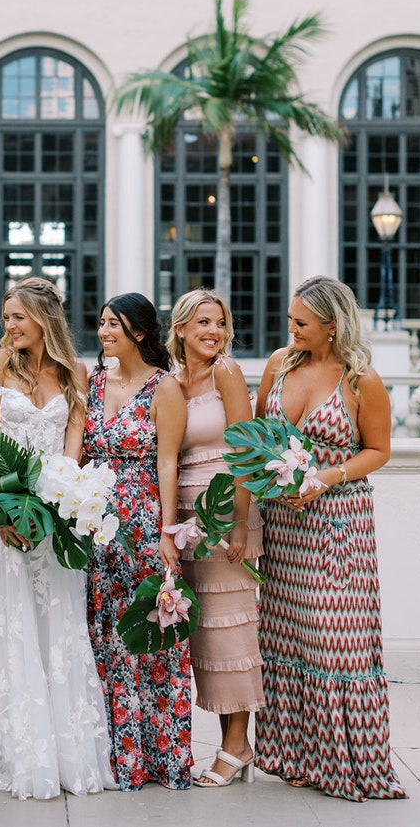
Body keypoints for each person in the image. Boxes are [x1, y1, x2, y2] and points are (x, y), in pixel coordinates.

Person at [254, 275, 406, 801]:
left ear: (332, 325)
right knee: (286, 636)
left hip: (337, 525)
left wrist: (324, 478)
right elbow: (257, 440)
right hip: (282, 528)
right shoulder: (278, 365)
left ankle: (346, 761)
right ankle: (294, 756)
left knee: (336, 641)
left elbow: (378, 450)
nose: (291, 329)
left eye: (301, 322)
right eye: (291, 319)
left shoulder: (362, 380)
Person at [0, 276, 115, 799]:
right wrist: (3, 509)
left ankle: (69, 753)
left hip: (54, 521)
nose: (8, 326)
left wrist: (58, 505)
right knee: (13, 628)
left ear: (43, 319)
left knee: (60, 624)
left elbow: (73, 446)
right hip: (6, 514)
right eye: (6, 317)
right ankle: (23, 753)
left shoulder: (76, 371)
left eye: (17, 317)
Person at [84, 292, 192, 791]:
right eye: (102, 323)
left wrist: (169, 532)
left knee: (147, 632)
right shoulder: (93, 381)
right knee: (103, 631)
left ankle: (161, 757)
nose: (104, 332)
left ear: (140, 333)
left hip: (143, 519)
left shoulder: (164, 387)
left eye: (114, 325)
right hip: (93, 524)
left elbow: (167, 461)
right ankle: (117, 756)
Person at [167, 289, 264, 788]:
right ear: (180, 328)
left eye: (220, 323)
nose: (214, 332)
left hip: (226, 515)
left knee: (231, 631)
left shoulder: (226, 370)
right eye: (203, 322)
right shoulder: (173, 382)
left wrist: (241, 524)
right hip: (186, 522)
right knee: (205, 636)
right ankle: (232, 741)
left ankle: (236, 745)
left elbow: (245, 450)